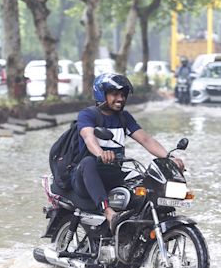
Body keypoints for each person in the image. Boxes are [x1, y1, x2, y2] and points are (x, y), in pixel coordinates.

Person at [72, 73, 184, 233]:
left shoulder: (124, 118)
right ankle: (109, 213)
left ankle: (140, 230)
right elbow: (88, 137)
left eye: (123, 95)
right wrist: (100, 153)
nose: (120, 99)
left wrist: (169, 157)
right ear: (101, 94)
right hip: (86, 178)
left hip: (113, 175)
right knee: (88, 163)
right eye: (115, 94)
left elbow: (146, 140)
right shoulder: (88, 115)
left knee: (146, 183)